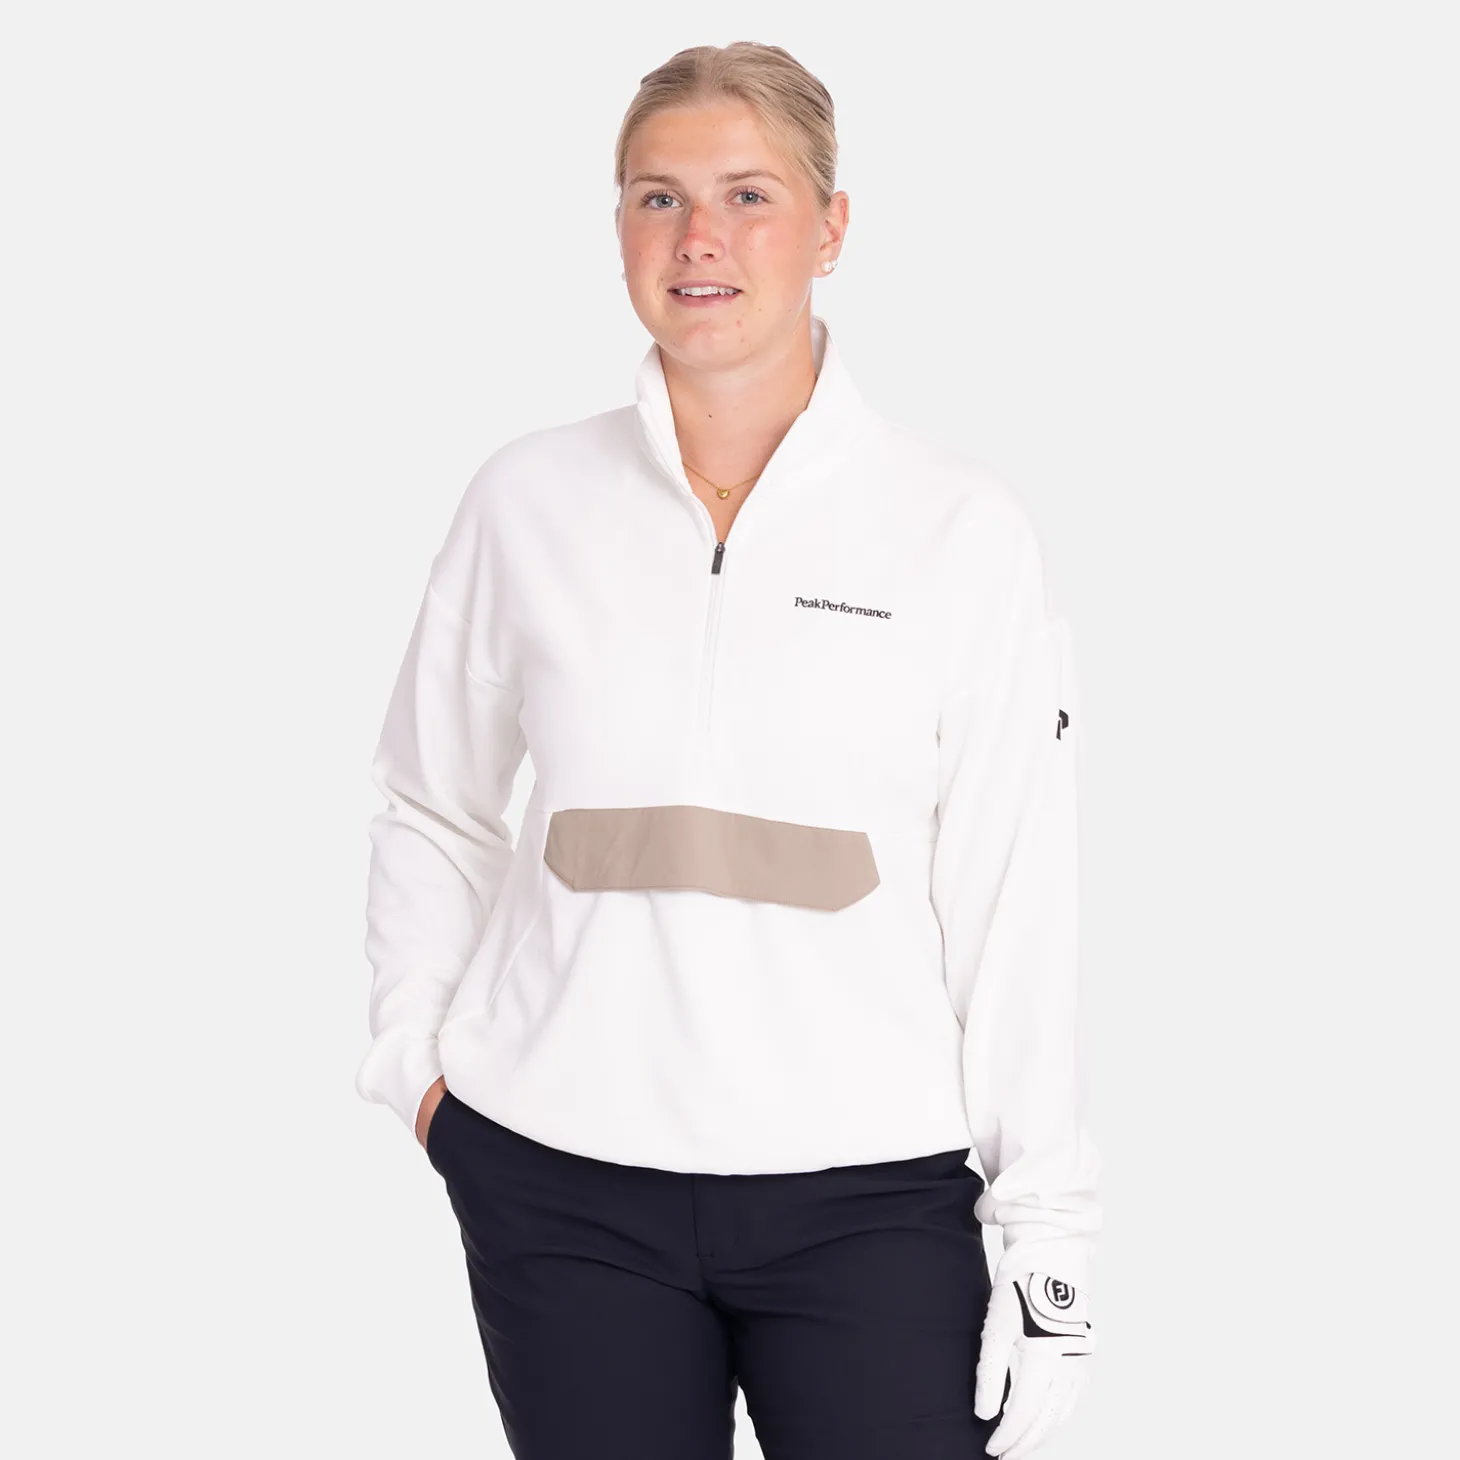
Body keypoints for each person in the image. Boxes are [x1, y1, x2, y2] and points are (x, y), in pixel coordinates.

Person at [356, 40, 1101, 1460]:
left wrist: (1050, 1232)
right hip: (561, 1189)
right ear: (620, 227)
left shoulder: (960, 531)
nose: (699, 237)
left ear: (831, 227)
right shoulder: (525, 501)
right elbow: (432, 804)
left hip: (870, 1197)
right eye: (660, 198)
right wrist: (418, 1070)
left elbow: (1018, 893)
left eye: (749, 195)